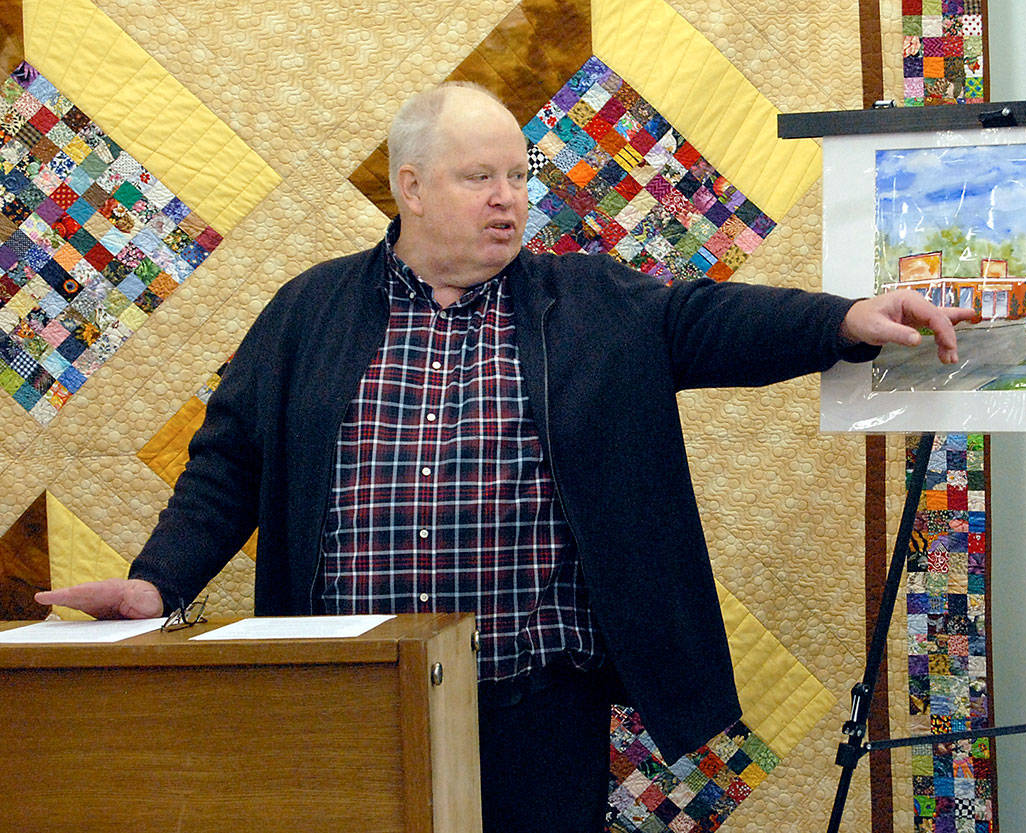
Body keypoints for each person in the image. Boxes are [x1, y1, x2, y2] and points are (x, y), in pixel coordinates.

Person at [36, 82, 977, 831]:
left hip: (539, 703)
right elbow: (226, 465)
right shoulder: (307, 311)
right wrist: (157, 584)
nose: (509, 200)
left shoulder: (589, 299)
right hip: (356, 700)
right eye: (479, 178)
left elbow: (709, 317)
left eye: (519, 179)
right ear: (409, 185)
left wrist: (846, 320)